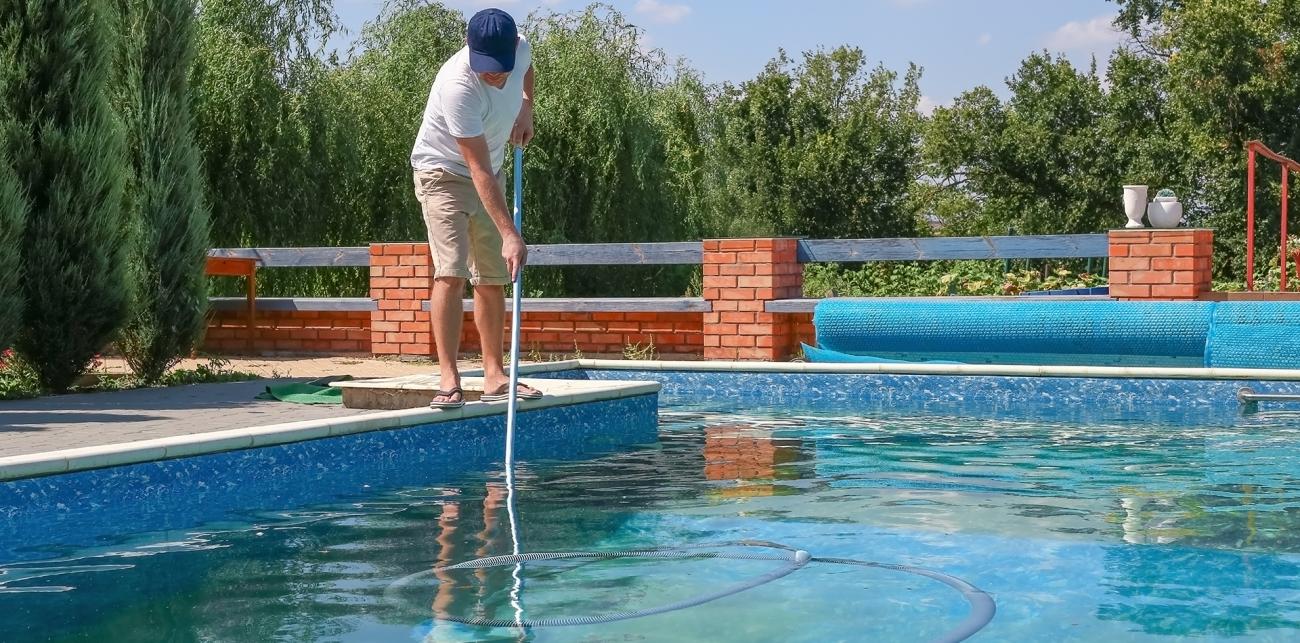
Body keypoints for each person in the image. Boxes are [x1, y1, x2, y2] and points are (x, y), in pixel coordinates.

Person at [411, 8, 543, 409]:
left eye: (500, 67)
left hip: (493, 171)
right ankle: (449, 379)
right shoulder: (457, 85)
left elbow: (527, 70)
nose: (496, 75)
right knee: (451, 272)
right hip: (444, 173)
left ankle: (495, 376)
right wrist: (510, 233)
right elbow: (477, 168)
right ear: (470, 51)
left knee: (491, 277)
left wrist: (526, 106)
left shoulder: (519, 51)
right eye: (487, 68)